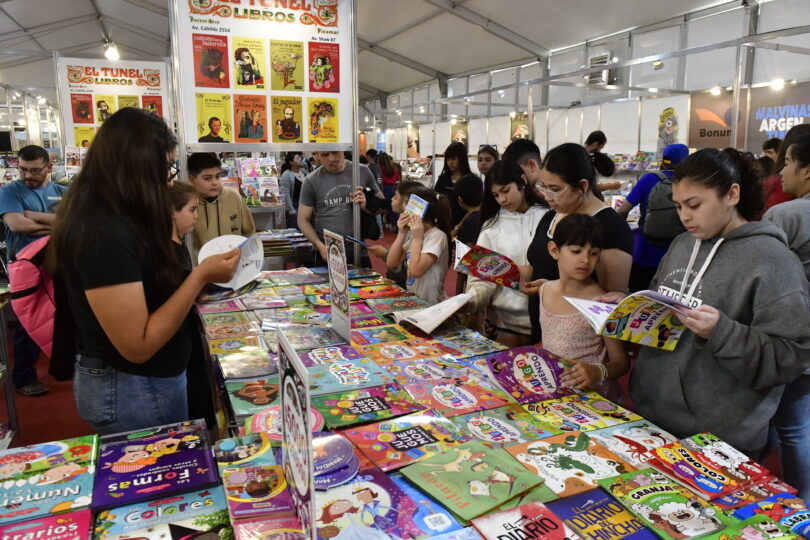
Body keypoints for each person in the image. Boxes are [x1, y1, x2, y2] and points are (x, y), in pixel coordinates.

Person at [46, 108, 240, 434]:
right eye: (166, 166)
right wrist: (199, 276)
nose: (169, 177)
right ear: (136, 166)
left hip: (148, 382)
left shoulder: (119, 217)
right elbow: (138, 345)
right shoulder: (103, 231)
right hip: (134, 388)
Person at [620, 147, 810, 458]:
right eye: (679, 206)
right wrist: (630, 307)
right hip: (651, 415)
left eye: (694, 204)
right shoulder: (682, 245)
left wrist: (721, 332)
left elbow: (790, 356)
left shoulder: (773, 261)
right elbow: (662, 305)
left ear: (732, 194)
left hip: (721, 439)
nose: (685, 216)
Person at [523, 143, 633, 343]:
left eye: (555, 189)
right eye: (543, 187)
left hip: (581, 345)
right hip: (545, 332)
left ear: (582, 186)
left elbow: (610, 303)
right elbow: (538, 264)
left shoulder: (611, 227)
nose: (547, 196)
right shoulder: (552, 215)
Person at [762, 135, 810, 499]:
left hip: (794, 338)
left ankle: (798, 507)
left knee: (793, 427)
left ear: (807, 171)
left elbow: (763, 272)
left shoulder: (787, 215)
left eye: (789, 163)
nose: (782, 173)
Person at [0, 145, 68, 396]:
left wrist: (34, 216)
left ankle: (64, 367)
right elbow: (18, 225)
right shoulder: (9, 191)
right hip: (24, 266)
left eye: (35, 170)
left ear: (48, 167)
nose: (28, 175)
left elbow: (74, 220)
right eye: (23, 169)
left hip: (57, 263)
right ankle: (24, 377)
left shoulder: (62, 191)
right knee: (27, 323)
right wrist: (58, 226)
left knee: (62, 318)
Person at [541, 214, 629, 402]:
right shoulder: (544, 290)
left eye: (594, 253)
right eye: (576, 251)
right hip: (554, 393)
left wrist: (598, 371)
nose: (586, 260)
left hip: (592, 399)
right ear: (554, 250)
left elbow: (621, 362)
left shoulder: (601, 304)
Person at [461, 160, 547, 347]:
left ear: (522, 181)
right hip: (505, 326)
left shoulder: (548, 217)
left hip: (548, 324)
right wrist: (470, 301)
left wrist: (531, 271)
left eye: (506, 191)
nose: (501, 200)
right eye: (495, 195)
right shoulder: (491, 226)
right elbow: (480, 278)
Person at [617, 143, 690, 292]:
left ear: (663, 160)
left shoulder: (649, 179)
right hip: (678, 256)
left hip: (645, 252)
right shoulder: (690, 183)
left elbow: (623, 210)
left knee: (639, 298)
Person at [298, 151, 383, 263]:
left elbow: (382, 207)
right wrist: (319, 245)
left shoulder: (362, 171)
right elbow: (302, 220)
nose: (332, 158)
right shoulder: (311, 180)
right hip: (328, 251)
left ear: (343, 151)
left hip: (359, 250)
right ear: (318, 156)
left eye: (335, 153)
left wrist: (366, 205)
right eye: (325, 154)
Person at [386, 187, 450, 305]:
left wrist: (417, 238)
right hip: (415, 300)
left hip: (432, 304)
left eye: (406, 209)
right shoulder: (414, 234)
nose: (404, 213)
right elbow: (391, 262)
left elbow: (416, 271)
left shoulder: (438, 236)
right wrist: (402, 233)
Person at [187, 152, 255, 257]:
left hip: (234, 267)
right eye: (207, 178)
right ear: (192, 180)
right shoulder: (187, 204)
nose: (215, 182)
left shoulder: (234, 197)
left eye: (218, 176)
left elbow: (249, 233)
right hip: (201, 269)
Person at [368, 180, 422, 288]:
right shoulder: (406, 227)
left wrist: (384, 253)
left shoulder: (416, 231)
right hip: (400, 283)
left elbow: (406, 264)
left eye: (396, 197)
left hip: (406, 286)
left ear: (406, 203)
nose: (392, 199)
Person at [433, 141, 472, 229]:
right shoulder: (443, 178)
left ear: (462, 158)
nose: (450, 162)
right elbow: (434, 197)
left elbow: (473, 209)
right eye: (448, 159)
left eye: (453, 159)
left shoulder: (470, 180)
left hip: (463, 227)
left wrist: (457, 228)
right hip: (443, 224)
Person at [280, 152, 305, 229]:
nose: (300, 159)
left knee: (304, 229)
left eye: (299, 157)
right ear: (291, 162)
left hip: (304, 205)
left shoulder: (304, 171)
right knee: (294, 230)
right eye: (297, 158)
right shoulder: (286, 174)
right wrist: (291, 209)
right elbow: (286, 193)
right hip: (294, 205)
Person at [378, 153, 400, 231]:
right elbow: (397, 180)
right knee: (393, 209)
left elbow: (379, 179)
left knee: (381, 208)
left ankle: (381, 226)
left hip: (384, 189)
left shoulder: (380, 168)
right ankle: (397, 226)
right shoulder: (394, 167)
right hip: (392, 189)